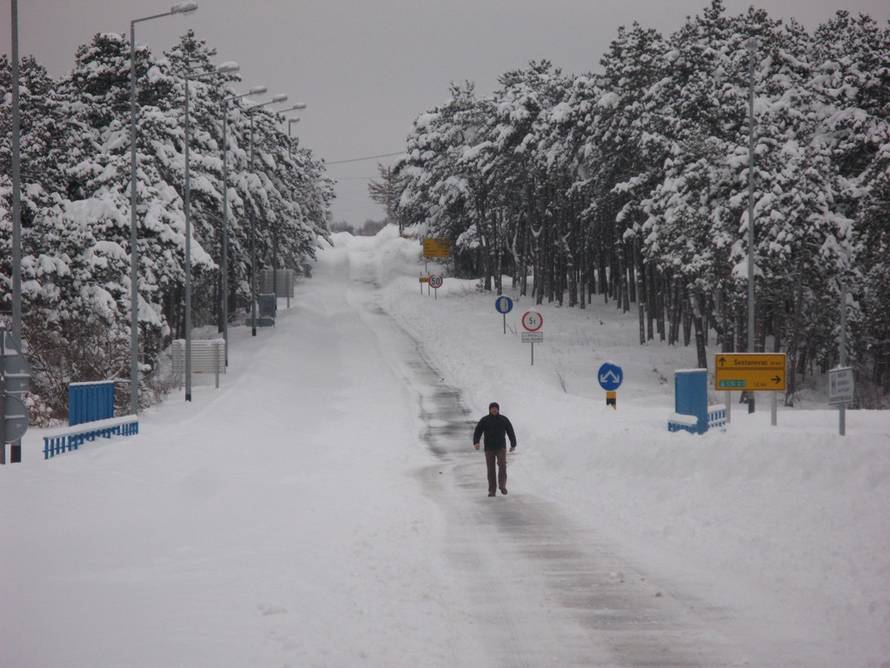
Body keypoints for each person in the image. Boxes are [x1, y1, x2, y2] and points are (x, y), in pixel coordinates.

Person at [472, 402, 517, 497]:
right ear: (489, 409)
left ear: (498, 409)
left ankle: (502, 486)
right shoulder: (485, 420)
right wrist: (476, 442)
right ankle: (492, 491)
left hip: (501, 447)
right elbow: (478, 431)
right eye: (492, 408)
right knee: (491, 470)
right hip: (489, 448)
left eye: (495, 408)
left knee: (502, 465)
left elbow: (510, 431)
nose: (494, 409)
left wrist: (513, 444)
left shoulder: (504, 419)